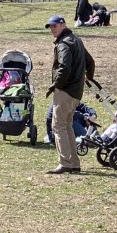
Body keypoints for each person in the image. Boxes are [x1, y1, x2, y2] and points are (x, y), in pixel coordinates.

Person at [44, 14, 87, 174]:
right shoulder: (77, 40)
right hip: (76, 91)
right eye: (50, 27)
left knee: (58, 125)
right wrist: (87, 76)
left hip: (66, 91)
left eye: (55, 26)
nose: (52, 29)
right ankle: (74, 163)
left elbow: (64, 67)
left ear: (63, 25)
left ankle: (65, 163)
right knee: (67, 125)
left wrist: (57, 86)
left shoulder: (63, 44)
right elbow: (90, 62)